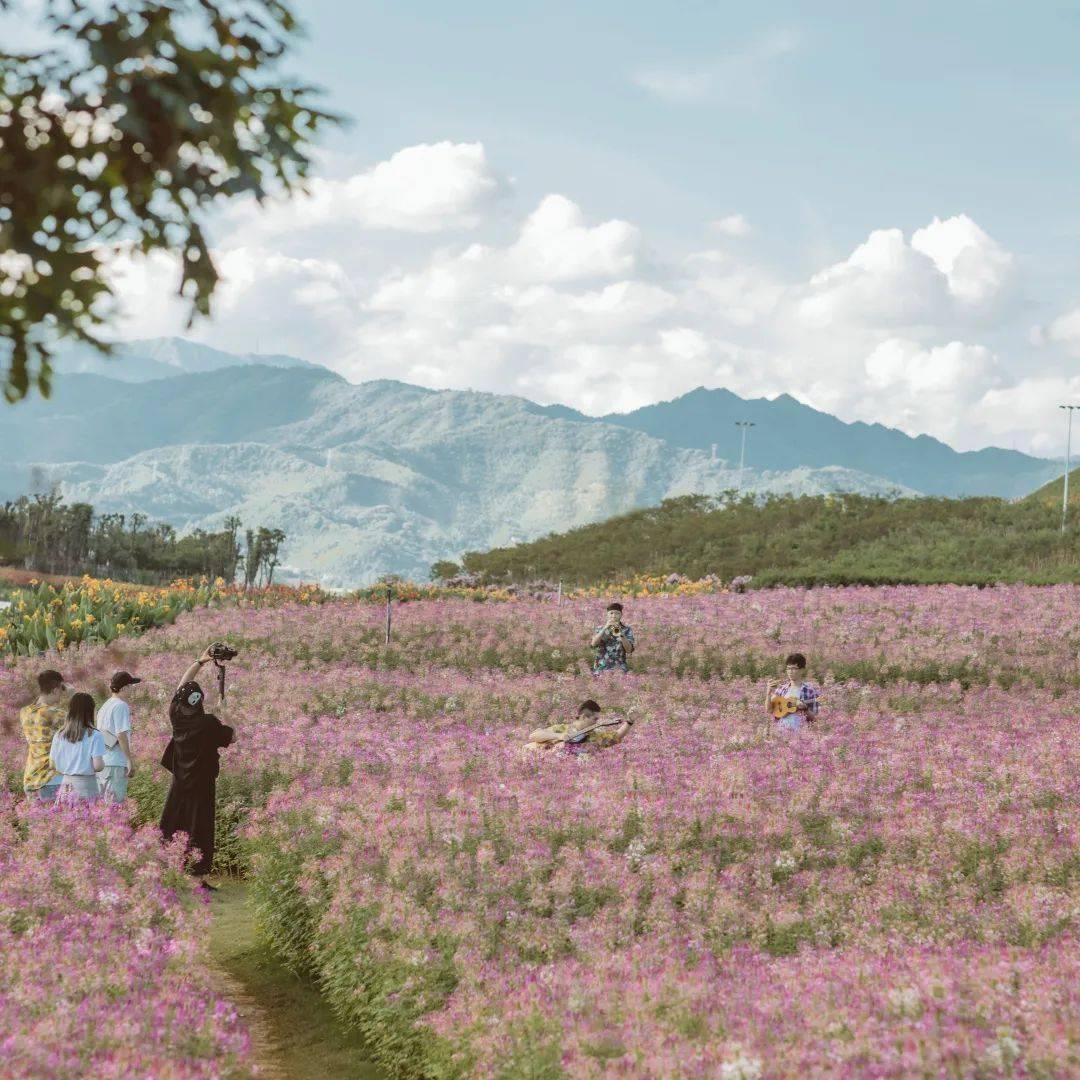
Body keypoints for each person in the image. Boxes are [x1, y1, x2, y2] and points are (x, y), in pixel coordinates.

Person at [159, 646, 234, 887]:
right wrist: (226, 711)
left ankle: (171, 870)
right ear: (201, 701)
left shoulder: (176, 717)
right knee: (200, 827)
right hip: (202, 785)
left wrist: (200, 661)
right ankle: (197, 877)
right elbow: (232, 737)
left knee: (176, 822)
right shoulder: (209, 723)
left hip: (180, 782)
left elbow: (182, 685)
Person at [20, 669, 69, 802]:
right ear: (55, 690)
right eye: (61, 689)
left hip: (31, 777)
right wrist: (73, 696)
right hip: (51, 778)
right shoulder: (59, 714)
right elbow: (83, 729)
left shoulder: (25, 712)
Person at [49, 692, 106, 801]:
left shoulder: (59, 734)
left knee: (66, 816)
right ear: (89, 711)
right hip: (87, 787)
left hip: (66, 786)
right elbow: (98, 766)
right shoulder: (94, 735)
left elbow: (52, 764)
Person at [525, 699, 634, 755]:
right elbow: (534, 735)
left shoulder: (593, 736)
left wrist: (629, 722)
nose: (597, 722)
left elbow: (616, 736)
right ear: (583, 717)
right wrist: (559, 736)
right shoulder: (562, 728)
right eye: (594, 719)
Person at [96, 670, 142, 804]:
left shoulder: (105, 706)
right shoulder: (121, 706)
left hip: (103, 763)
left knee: (104, 807)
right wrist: (129, 761)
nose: (132, 690)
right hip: (115, 763)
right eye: (130, 687)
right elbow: (121, 735)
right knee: (115, 807)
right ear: (124, 688)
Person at [766, 653, 821, 731]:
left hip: (800, 735)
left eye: (794, 668)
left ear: (802, 670)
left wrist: (805, 709)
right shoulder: (782, 689)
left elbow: (816, 718)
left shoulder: (810, 691)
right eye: (788, 668)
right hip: (781, 732)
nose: (790, 672)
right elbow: (769, 710)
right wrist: (768, 694)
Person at [590, 603, 636, 674]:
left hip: (619, 668)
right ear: (607, 615)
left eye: (617, 613)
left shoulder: (627, 629)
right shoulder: (599, 628)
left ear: (621, 615)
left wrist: (621, 634)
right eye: (611, 613)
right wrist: (605, 628)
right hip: (601, 667)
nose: (614, 616)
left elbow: (629, 650)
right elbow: (593, 644)